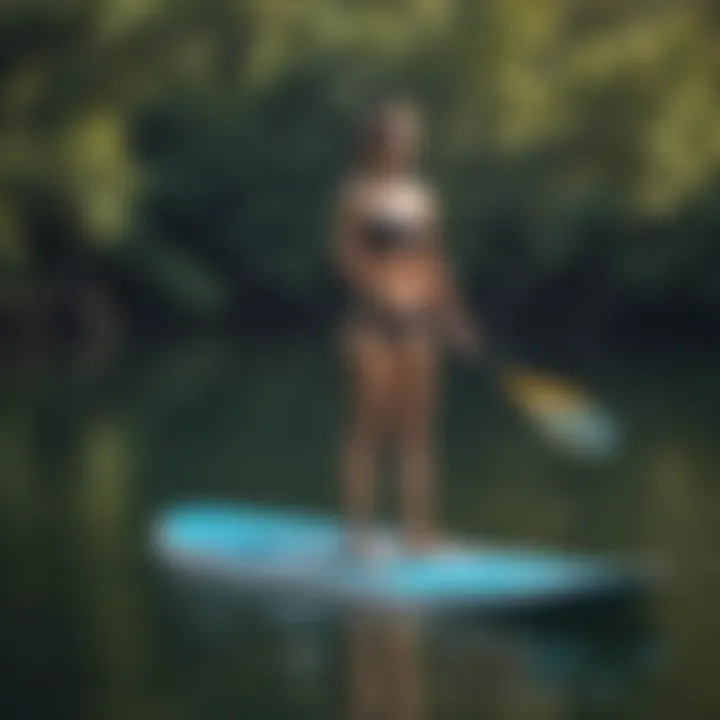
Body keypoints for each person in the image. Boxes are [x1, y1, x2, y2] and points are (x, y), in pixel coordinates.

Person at [332, 97, 479, 553]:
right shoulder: (357, 193)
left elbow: (435, 261)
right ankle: (359, 536)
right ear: (378, 141)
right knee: (369, 424)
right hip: (372, 322)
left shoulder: (422, 197)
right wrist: (380, 290)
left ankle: (419, 533)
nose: (405, 142)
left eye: (409, 135)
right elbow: (344, 255)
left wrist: (454, 317)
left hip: (418, 321)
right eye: (397, 134)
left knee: (418, 428)